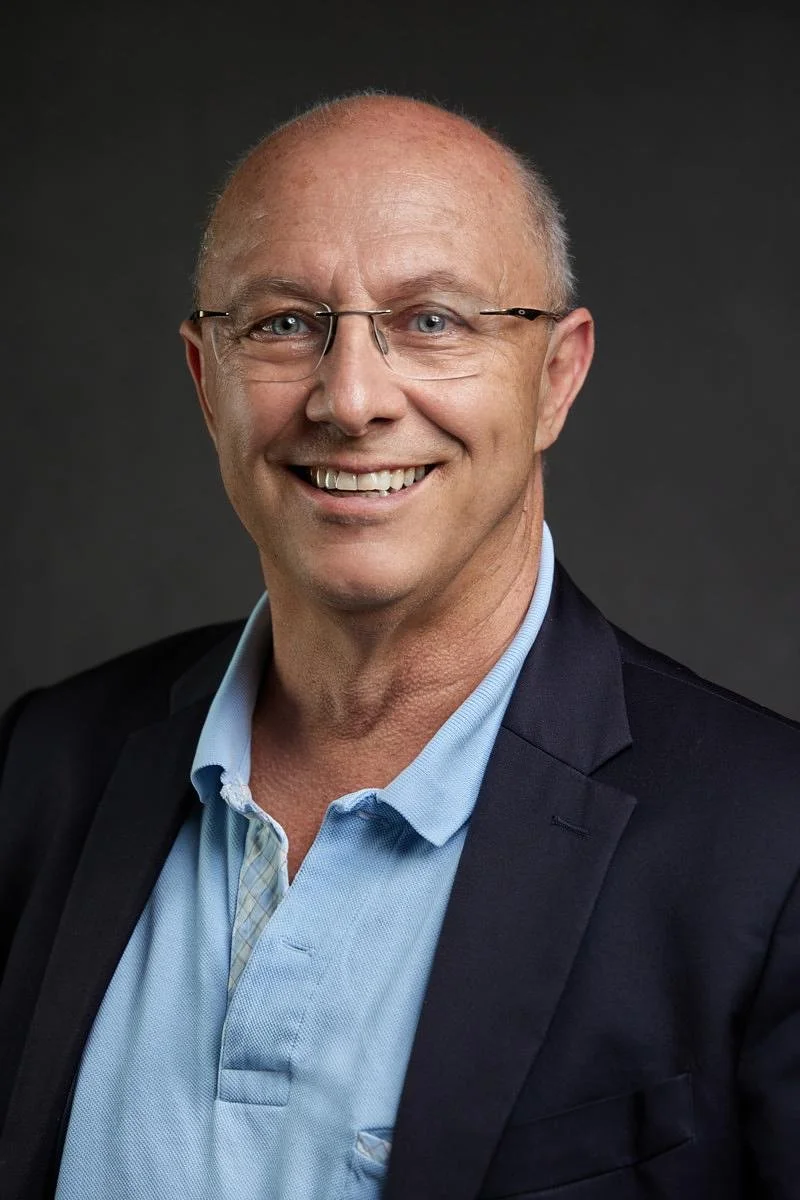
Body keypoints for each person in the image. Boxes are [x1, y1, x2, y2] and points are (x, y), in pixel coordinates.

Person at [1, 93, 799, 1200]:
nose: (351, 398)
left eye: (432, 320)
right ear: (204, 380)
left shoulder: (771, 846)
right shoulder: (41, 769)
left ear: (556, 377)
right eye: (283, 323)